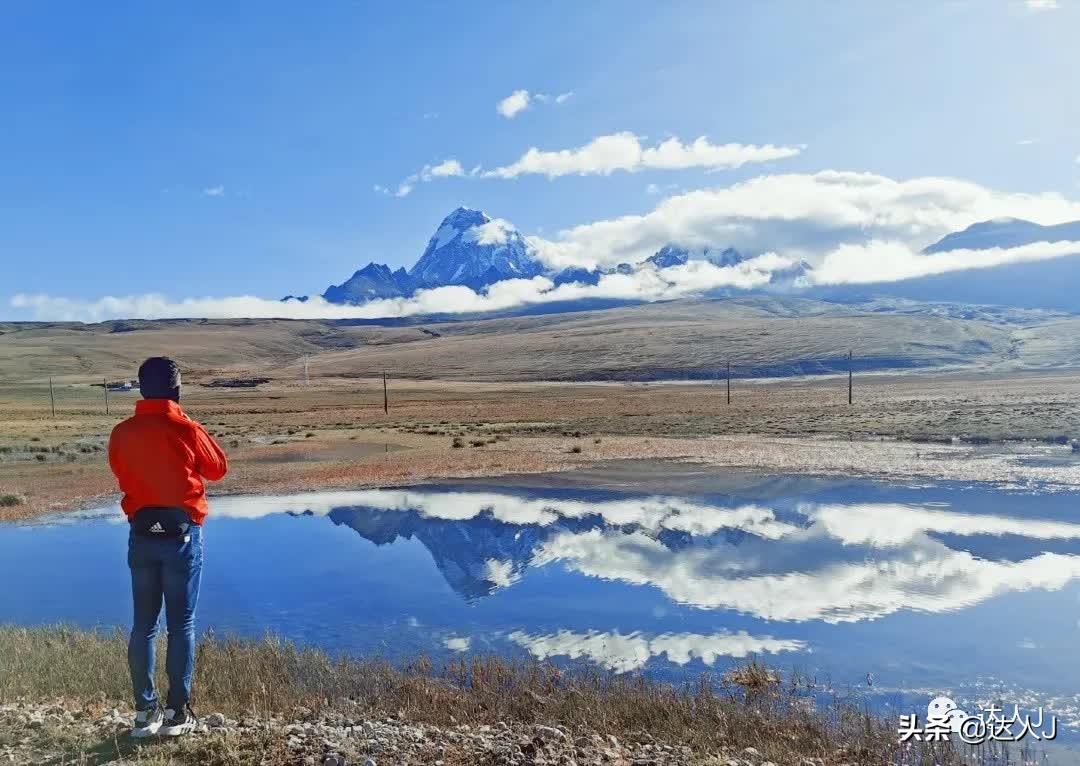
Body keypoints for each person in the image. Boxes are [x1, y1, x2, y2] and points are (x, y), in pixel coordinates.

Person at [108, 357, 228, 737]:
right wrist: (184, 419)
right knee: (181, 625)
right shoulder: (186, 428)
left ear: (142, 389)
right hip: (182, 536)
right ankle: (178, 714)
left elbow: (120, 470)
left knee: (143, 626)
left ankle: (145, 714)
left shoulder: (122, 432)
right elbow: (217, 468)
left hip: (141, 535)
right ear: (176, 390)